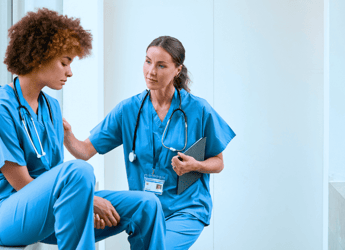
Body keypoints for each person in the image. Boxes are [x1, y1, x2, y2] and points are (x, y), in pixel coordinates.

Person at [0, 8, 165, 250]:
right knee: (79, 171)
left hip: (49, 212)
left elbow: (53, 174)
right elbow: (23, 184)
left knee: (146, 205)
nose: (70, 72)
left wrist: (82, 202)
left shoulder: (51, 108)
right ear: (40, 56)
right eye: (64, 62)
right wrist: (87, 201)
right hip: (3, 217)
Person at [64, 36, 236, 249]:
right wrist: (66, 134)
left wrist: (196, 165)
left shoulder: (198, 110)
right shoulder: (128, 110)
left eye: (161, 65)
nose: (151, 71)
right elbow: (84, 151)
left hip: (186, 208)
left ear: (177, 70)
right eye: (148, 62)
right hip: (144, 213)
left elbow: (218, 162)